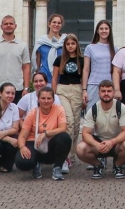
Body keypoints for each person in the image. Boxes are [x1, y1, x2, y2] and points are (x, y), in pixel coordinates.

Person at [76, 80, 125, 180]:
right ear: (99, 93)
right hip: (99, 143)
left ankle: (117, 165)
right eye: (103, 91)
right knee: (80, 148)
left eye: (109, 91)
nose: (106, 94)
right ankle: (98, 165)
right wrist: (97, 144)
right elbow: (85, 133)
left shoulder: (121, 107)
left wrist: (112, 142)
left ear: (113, 92)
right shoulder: (93, 109)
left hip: (116, 143)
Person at [15, 87, 71, 181]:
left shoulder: (59, 110)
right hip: (33, 142)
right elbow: (22, 135)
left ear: (53, 99)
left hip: (50, 143)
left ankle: (57, 168)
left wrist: (45, 133)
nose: (46, 101)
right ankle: (35, 163)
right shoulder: (33, 113)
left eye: (49, 98)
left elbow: (63, 128)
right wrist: (22, 147)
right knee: (22, 163)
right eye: (43, 98)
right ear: (38, 99)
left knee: (65, 137)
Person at [52, 33, 85, 172]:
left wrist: (84, 92)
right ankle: (64, 155)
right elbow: (54, 78)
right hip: (63, 90)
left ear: (77, 45)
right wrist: (53, 94)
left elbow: (84, 77)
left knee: (76, 124)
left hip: (77, 90)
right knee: (69, 121)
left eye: (73, 43)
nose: (70, 46)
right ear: (65, 46)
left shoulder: (82, 60)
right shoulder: (59, 59)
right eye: (68, 44)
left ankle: (72, 155)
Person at [0, 15, 31, 102]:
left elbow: (26, 67)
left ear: (15, 26)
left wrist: (26, 88)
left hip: (16, 88)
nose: (8, 25)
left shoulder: (22, 45)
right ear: (1, 26)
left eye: (11, 23)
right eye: (6, 24)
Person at [84, 20, 117, 109]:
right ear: (97, 31)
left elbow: (115, 71)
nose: (104, 31)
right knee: (91, 112)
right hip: (94, 84)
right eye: (101, 29)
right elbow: (86, 69)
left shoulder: (114, 49)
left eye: (106, 29)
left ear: (109, 31)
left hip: (109, 86)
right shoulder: (90, 48)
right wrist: (84, 89)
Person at [33, 14, 67, 85]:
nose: (56, 24)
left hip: (61, 79)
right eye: (54, 22)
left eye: (59, 23)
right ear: (49, 24)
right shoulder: (41, 41)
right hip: (45, 79)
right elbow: (37, 62)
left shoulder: (65, 42)